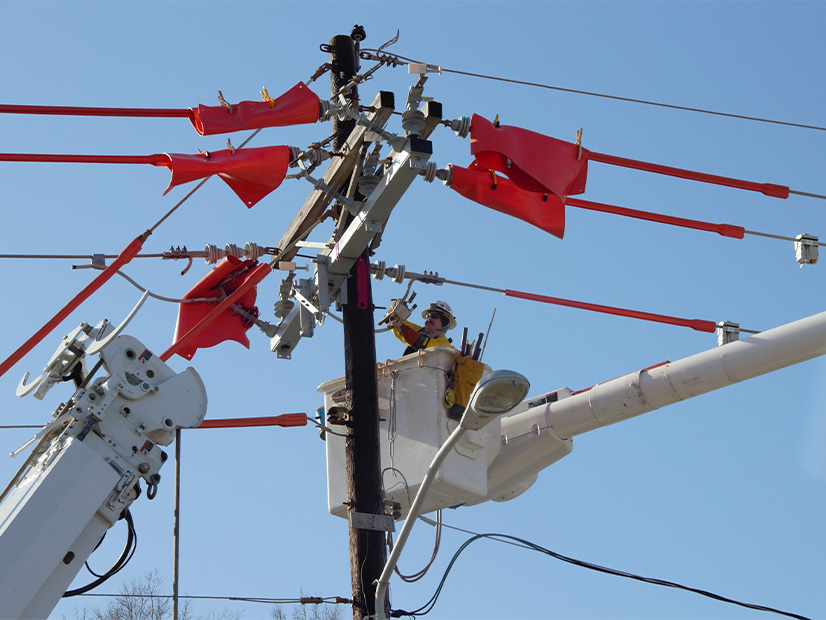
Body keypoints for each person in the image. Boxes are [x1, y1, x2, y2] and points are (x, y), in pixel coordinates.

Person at [387, 300, 457, 355]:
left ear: (444, 323)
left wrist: (402, 329)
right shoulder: (420, 332)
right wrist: (394, 309)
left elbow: (427, 345)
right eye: (427, 316)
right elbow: (394, 322)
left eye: (434, 316)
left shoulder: (446, 345)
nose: (429, 319)